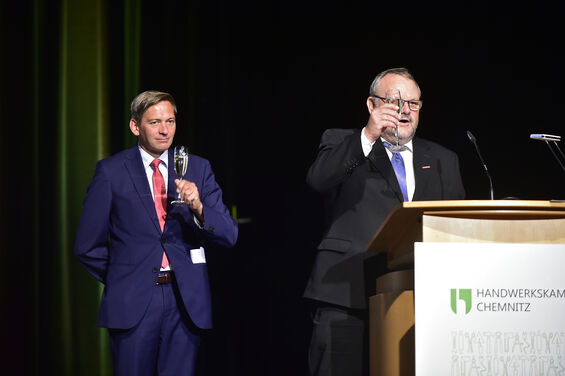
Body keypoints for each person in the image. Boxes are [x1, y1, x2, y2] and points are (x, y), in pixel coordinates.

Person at [304, 67, 465, 376]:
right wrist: (368, 136)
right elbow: (318, 180)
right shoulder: (344, 143)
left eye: (413, 103)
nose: (405, 110)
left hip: (417, 299)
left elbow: (454, 225)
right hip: (345, 294)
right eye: (394, 101)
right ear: (372, 105)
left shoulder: (444, 159)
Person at [74, 90, 238, 376]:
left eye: (170, 121)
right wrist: (126, 275)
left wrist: (199, 207)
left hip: (185, 299)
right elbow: (88, 246)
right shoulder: (111, 172)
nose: (164, 130)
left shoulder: (197, 168)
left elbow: (228, 234)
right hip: (134, 301)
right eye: (155, 122)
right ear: (135, 126)